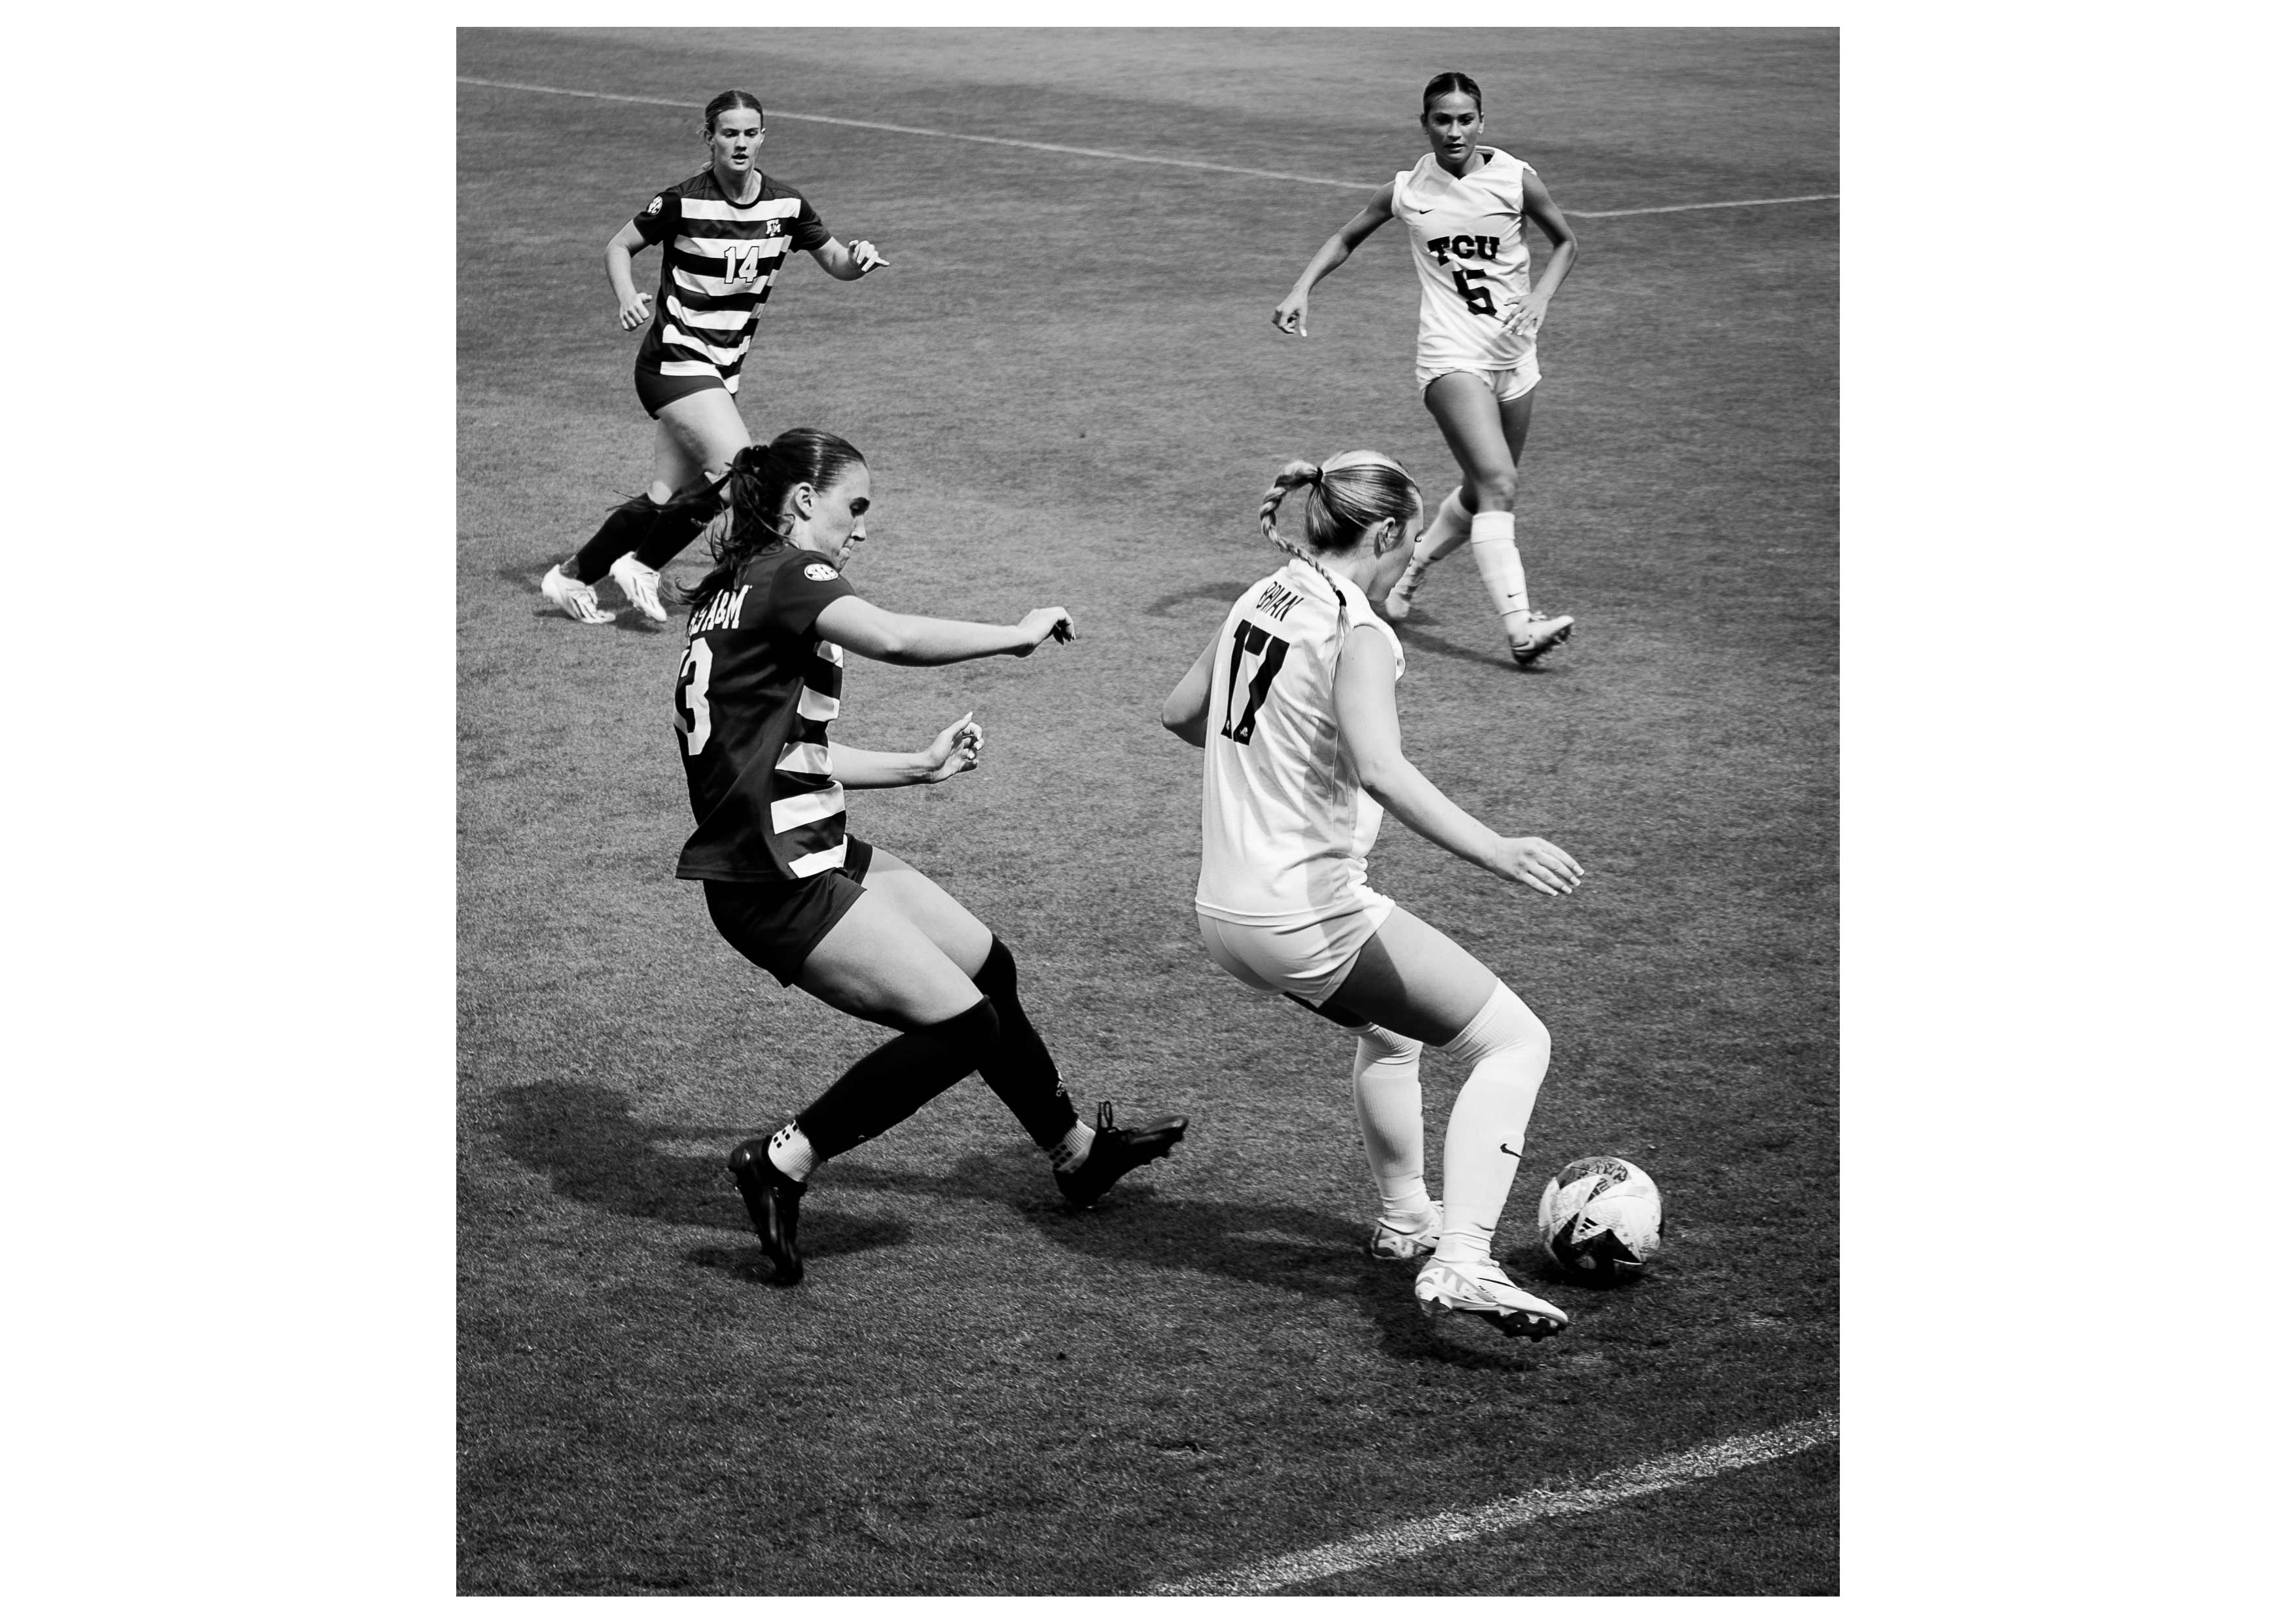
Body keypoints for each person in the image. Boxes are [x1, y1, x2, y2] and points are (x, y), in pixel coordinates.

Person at [679, 428, 1187, 1285]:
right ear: (805, 501)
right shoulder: (790, 578)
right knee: (962, 1024)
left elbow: (786, 751)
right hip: (773, 875)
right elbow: (895, 637)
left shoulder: (735, 591)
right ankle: (782, 1160)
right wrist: (1014, 634)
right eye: (855, 506)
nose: (863, 528)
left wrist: (915, 766)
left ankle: (1077, 1151)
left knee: (989, 967)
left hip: (812, 843)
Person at [1161, 453, 1584, 1339]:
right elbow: (1384, 770)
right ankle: (1464, 1257)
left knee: (1391, 1032)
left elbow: (1180, 712)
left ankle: (1406, 1220)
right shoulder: (1357, 628)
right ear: (1387, 532)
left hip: (1226, 911)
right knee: (1513, 1038)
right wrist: (1498, 850)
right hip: (1304, 910)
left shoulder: (1259, 595)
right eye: (1412, 537)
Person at [541, 90, 890, 626]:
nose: (741, 143)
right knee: (744, 474)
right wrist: (627, 296)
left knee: (664, 497)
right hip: (674, 360)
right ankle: (641, 565)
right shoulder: (682, 200)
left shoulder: (787, 207)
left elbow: (836, 261)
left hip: (720, 373)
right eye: (730, 133)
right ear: (709, 139)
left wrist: (858, 261)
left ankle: (569, 577)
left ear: (764, 137)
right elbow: (618, 246)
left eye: (752, 133)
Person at [1272, 71, 1581, 667]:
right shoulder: (1407, 189)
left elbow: (1566, 242)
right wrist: (1301, 288)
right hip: (1449, 356)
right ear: (1425, 125)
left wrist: (1541, 296)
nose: (1455, 130)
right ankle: (1521, 628)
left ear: (1482, 122)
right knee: (1500, 486)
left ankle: (1409, 570)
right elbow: (1346, 236)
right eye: (1443, 120)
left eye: (1466, 119)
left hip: (1515, 358)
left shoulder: (1516, 179)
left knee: (1482, 488)